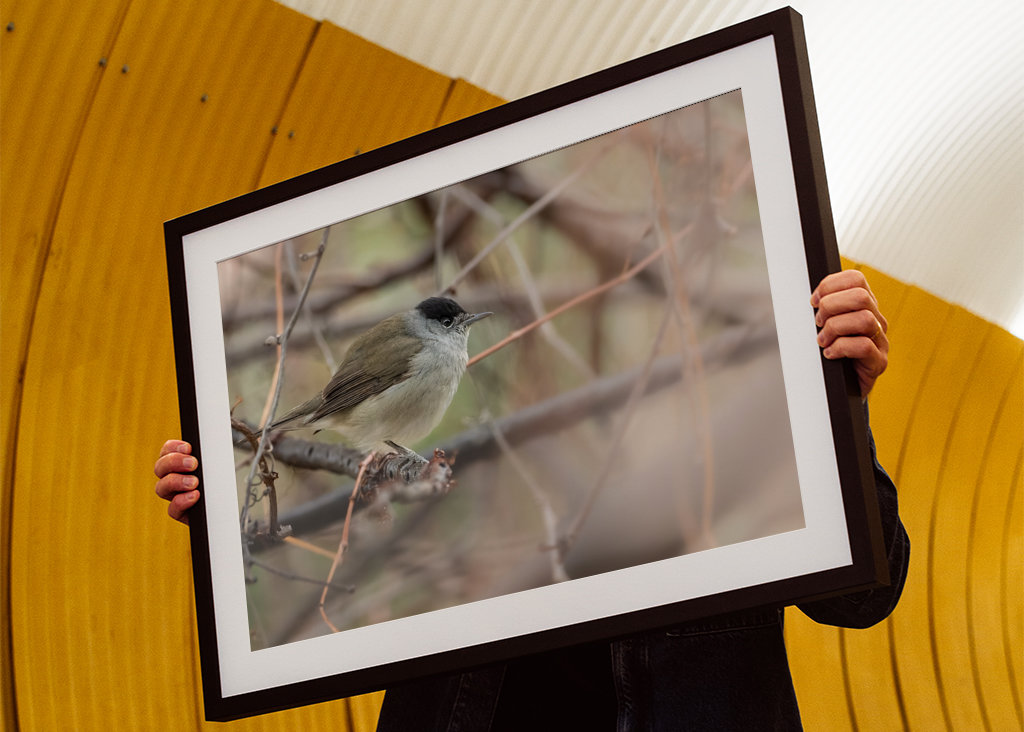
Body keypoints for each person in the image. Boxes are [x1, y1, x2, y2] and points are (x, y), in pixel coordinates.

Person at [155, 270, 909, 731]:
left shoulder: (743, 444)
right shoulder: (496, 470)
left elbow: (865, 596)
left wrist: (839, 405)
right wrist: (225, 510)